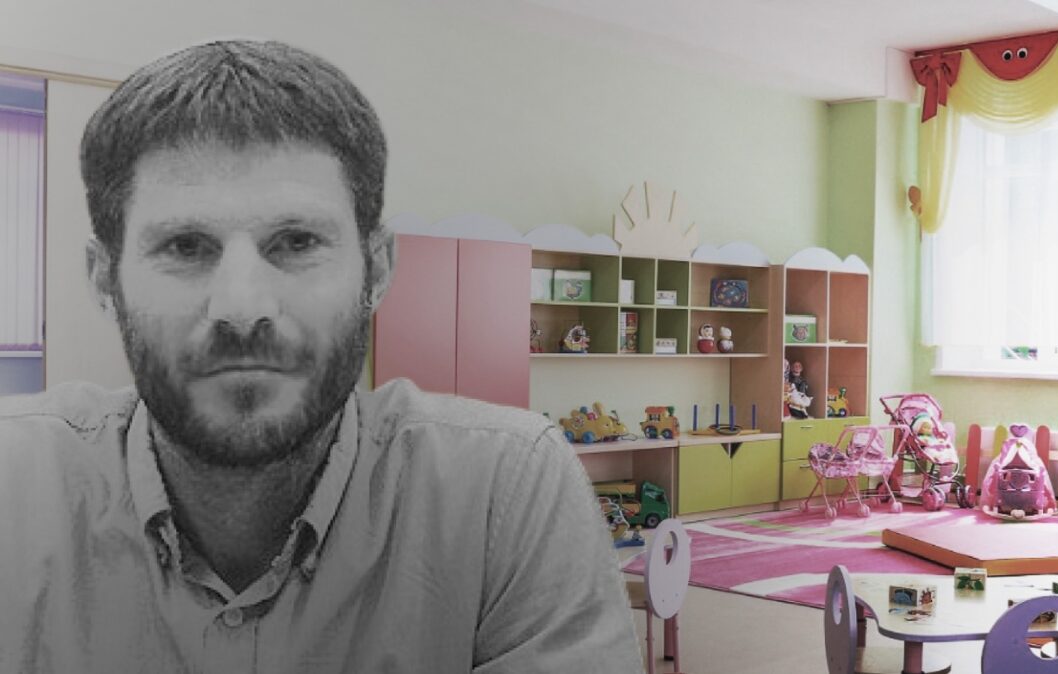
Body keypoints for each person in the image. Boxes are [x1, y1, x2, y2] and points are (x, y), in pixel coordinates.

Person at [0, 40, 642, 673]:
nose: (241, 307)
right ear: (105, 280)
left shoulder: (505, 493)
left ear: (377, 268)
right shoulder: (14, 486)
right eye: (185, 246)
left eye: (298, 241)